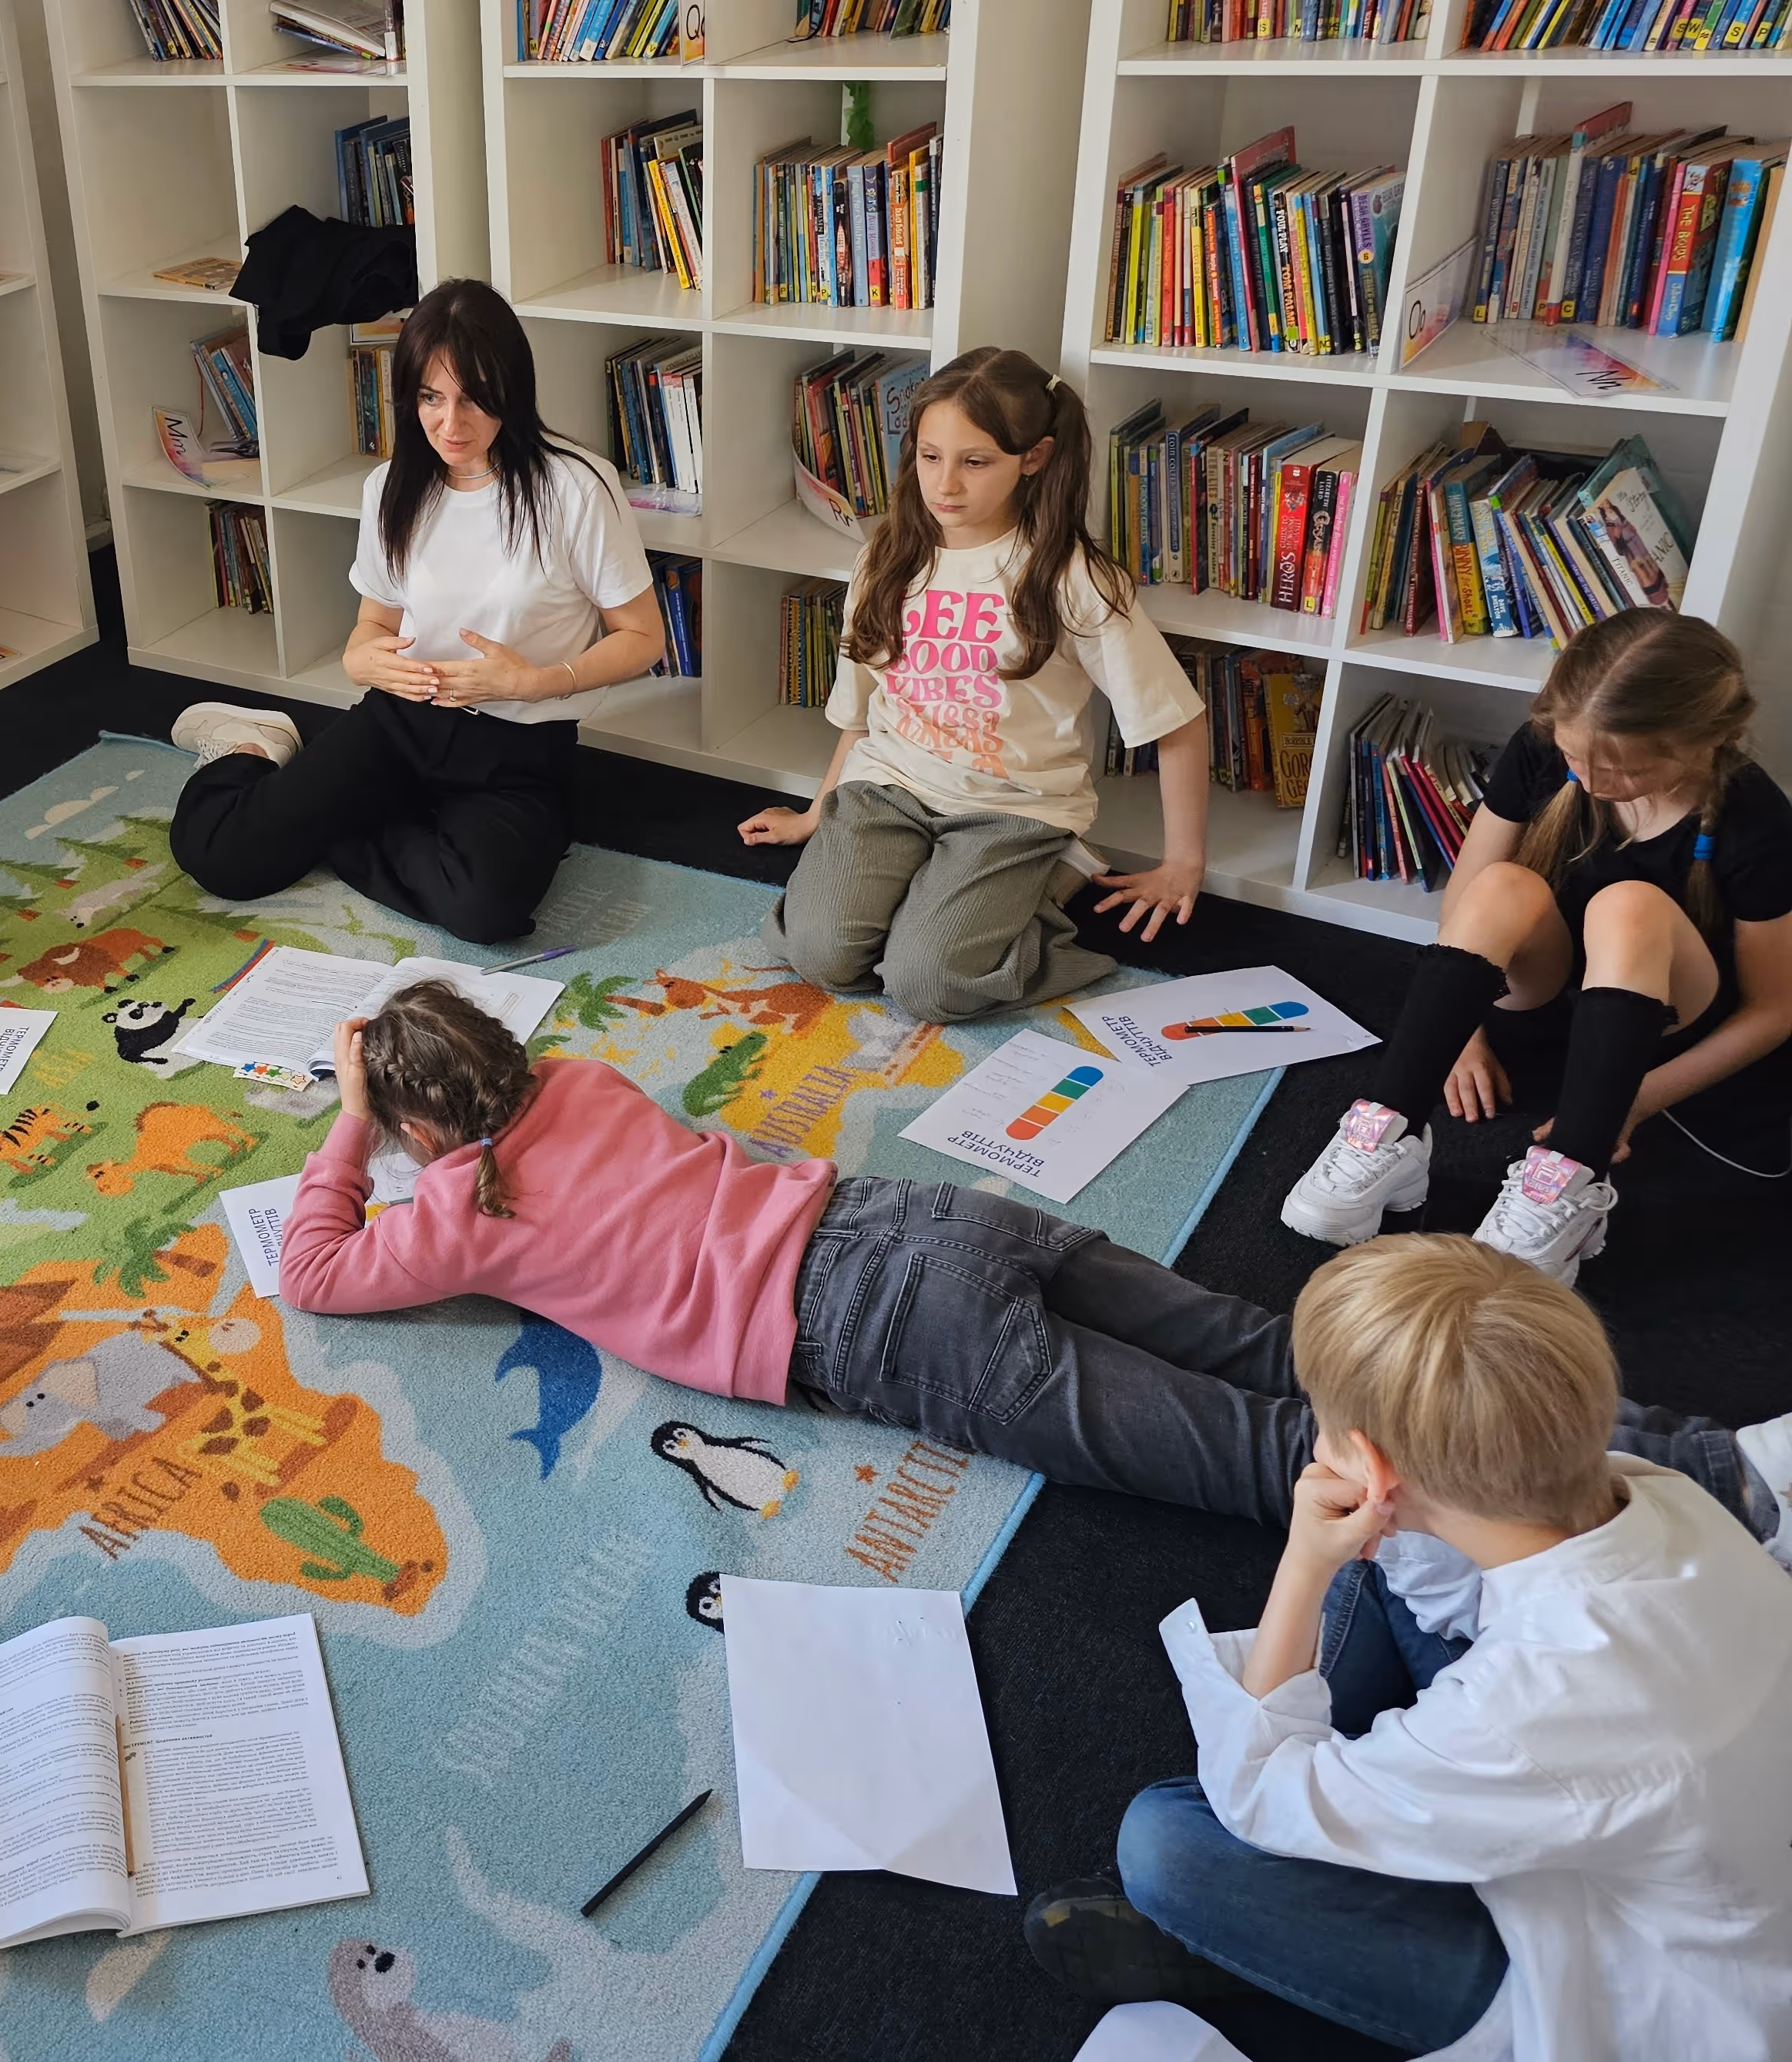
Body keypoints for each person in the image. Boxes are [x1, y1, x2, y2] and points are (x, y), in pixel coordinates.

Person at [275, 981, 1788, 1544]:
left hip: (888, 1334)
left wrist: (348, 1128)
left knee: (1285, 1459)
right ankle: (1690, 1443)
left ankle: (1686, 1491)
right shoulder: (584, 1084)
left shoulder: (456, 1218)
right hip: (927, 1220)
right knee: (1285, 1354)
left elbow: (315, 1270)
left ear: (418, 1121)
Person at [1023, 1236, 1792, 2058]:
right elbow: (1454, 1598)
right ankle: (1340, 1852)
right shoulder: (1650, 1488)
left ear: (1374, 1468)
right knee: (1387, 1573)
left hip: (1620, 1982)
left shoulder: (1529, 1709)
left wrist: (1301, 1563)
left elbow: (1255, 1797)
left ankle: (1277, 1948)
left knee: (1166, 1845)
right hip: (1659, 1819)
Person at [1284, 606, 1792, 1282]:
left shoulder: (1757, 823)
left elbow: (1774, 1009)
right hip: (1545, 997)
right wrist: (1463, 1040)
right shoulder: (1546, 749)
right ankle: (1391, 1127)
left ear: (1703, 743)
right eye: (1576, 756)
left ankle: (1569, 1182)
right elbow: (1470, 900)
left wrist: (1636, 1099)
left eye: (1623, 771)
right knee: (1499, 883)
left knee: (1629, 906)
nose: (1589, 780)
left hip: (1658, 1025)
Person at [165, 279, 664, 945]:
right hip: (401, 727)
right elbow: (373, 626)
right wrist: (358, 658)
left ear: (510, 390)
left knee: (486, 913)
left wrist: (533, 681)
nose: (450, 425)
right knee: (220, 858)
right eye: (431, 398)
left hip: (519, 753)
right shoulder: (392, 487)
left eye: (473, 398)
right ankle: (252, 745)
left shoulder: (577, 486)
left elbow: (642, 637)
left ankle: (346, 824)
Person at [742, 347, 1209, 1023]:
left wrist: (1183, 863)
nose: (946, 486)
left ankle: (1046, 883)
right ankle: (932, 899)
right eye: (930, 457)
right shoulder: (886, 556)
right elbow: (863, 712)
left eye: (975, 461)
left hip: (1014, 811)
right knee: (821, 955)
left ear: (1036, 457)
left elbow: (1175, 719)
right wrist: (818, 814)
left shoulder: (1075, 580)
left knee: (928, 984)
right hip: (887, 788)